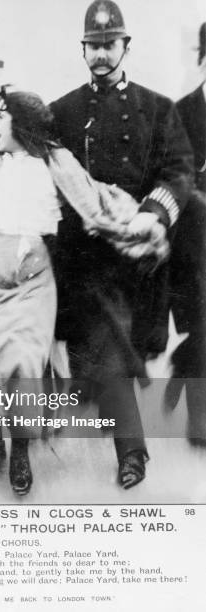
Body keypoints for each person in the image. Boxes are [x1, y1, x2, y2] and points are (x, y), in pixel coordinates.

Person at [0, 88, 169, 494]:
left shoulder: (59, 162)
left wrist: (138, 227)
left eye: (2, 117)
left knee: (24, 362)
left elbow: (98, 200)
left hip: (38, 277)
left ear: (20, 124)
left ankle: (22, 450)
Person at [50, 0, 194, 487]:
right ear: (83, 50)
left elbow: (178, 172)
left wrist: (151, 216)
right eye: (93, 46)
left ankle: (92, 387)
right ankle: (133, 454)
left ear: (125, 47)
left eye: (110, 45)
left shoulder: (158, 109)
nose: (102, 54)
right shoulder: (62, 113)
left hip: (141, 263)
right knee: (110, 353)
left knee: (123, 352)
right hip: (89, 264)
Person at [165, 23, 206, 442]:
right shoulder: (183, 113)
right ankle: (200, 421)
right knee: (203, 322)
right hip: (197, 244)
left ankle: (182, 365)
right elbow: (175, 176)